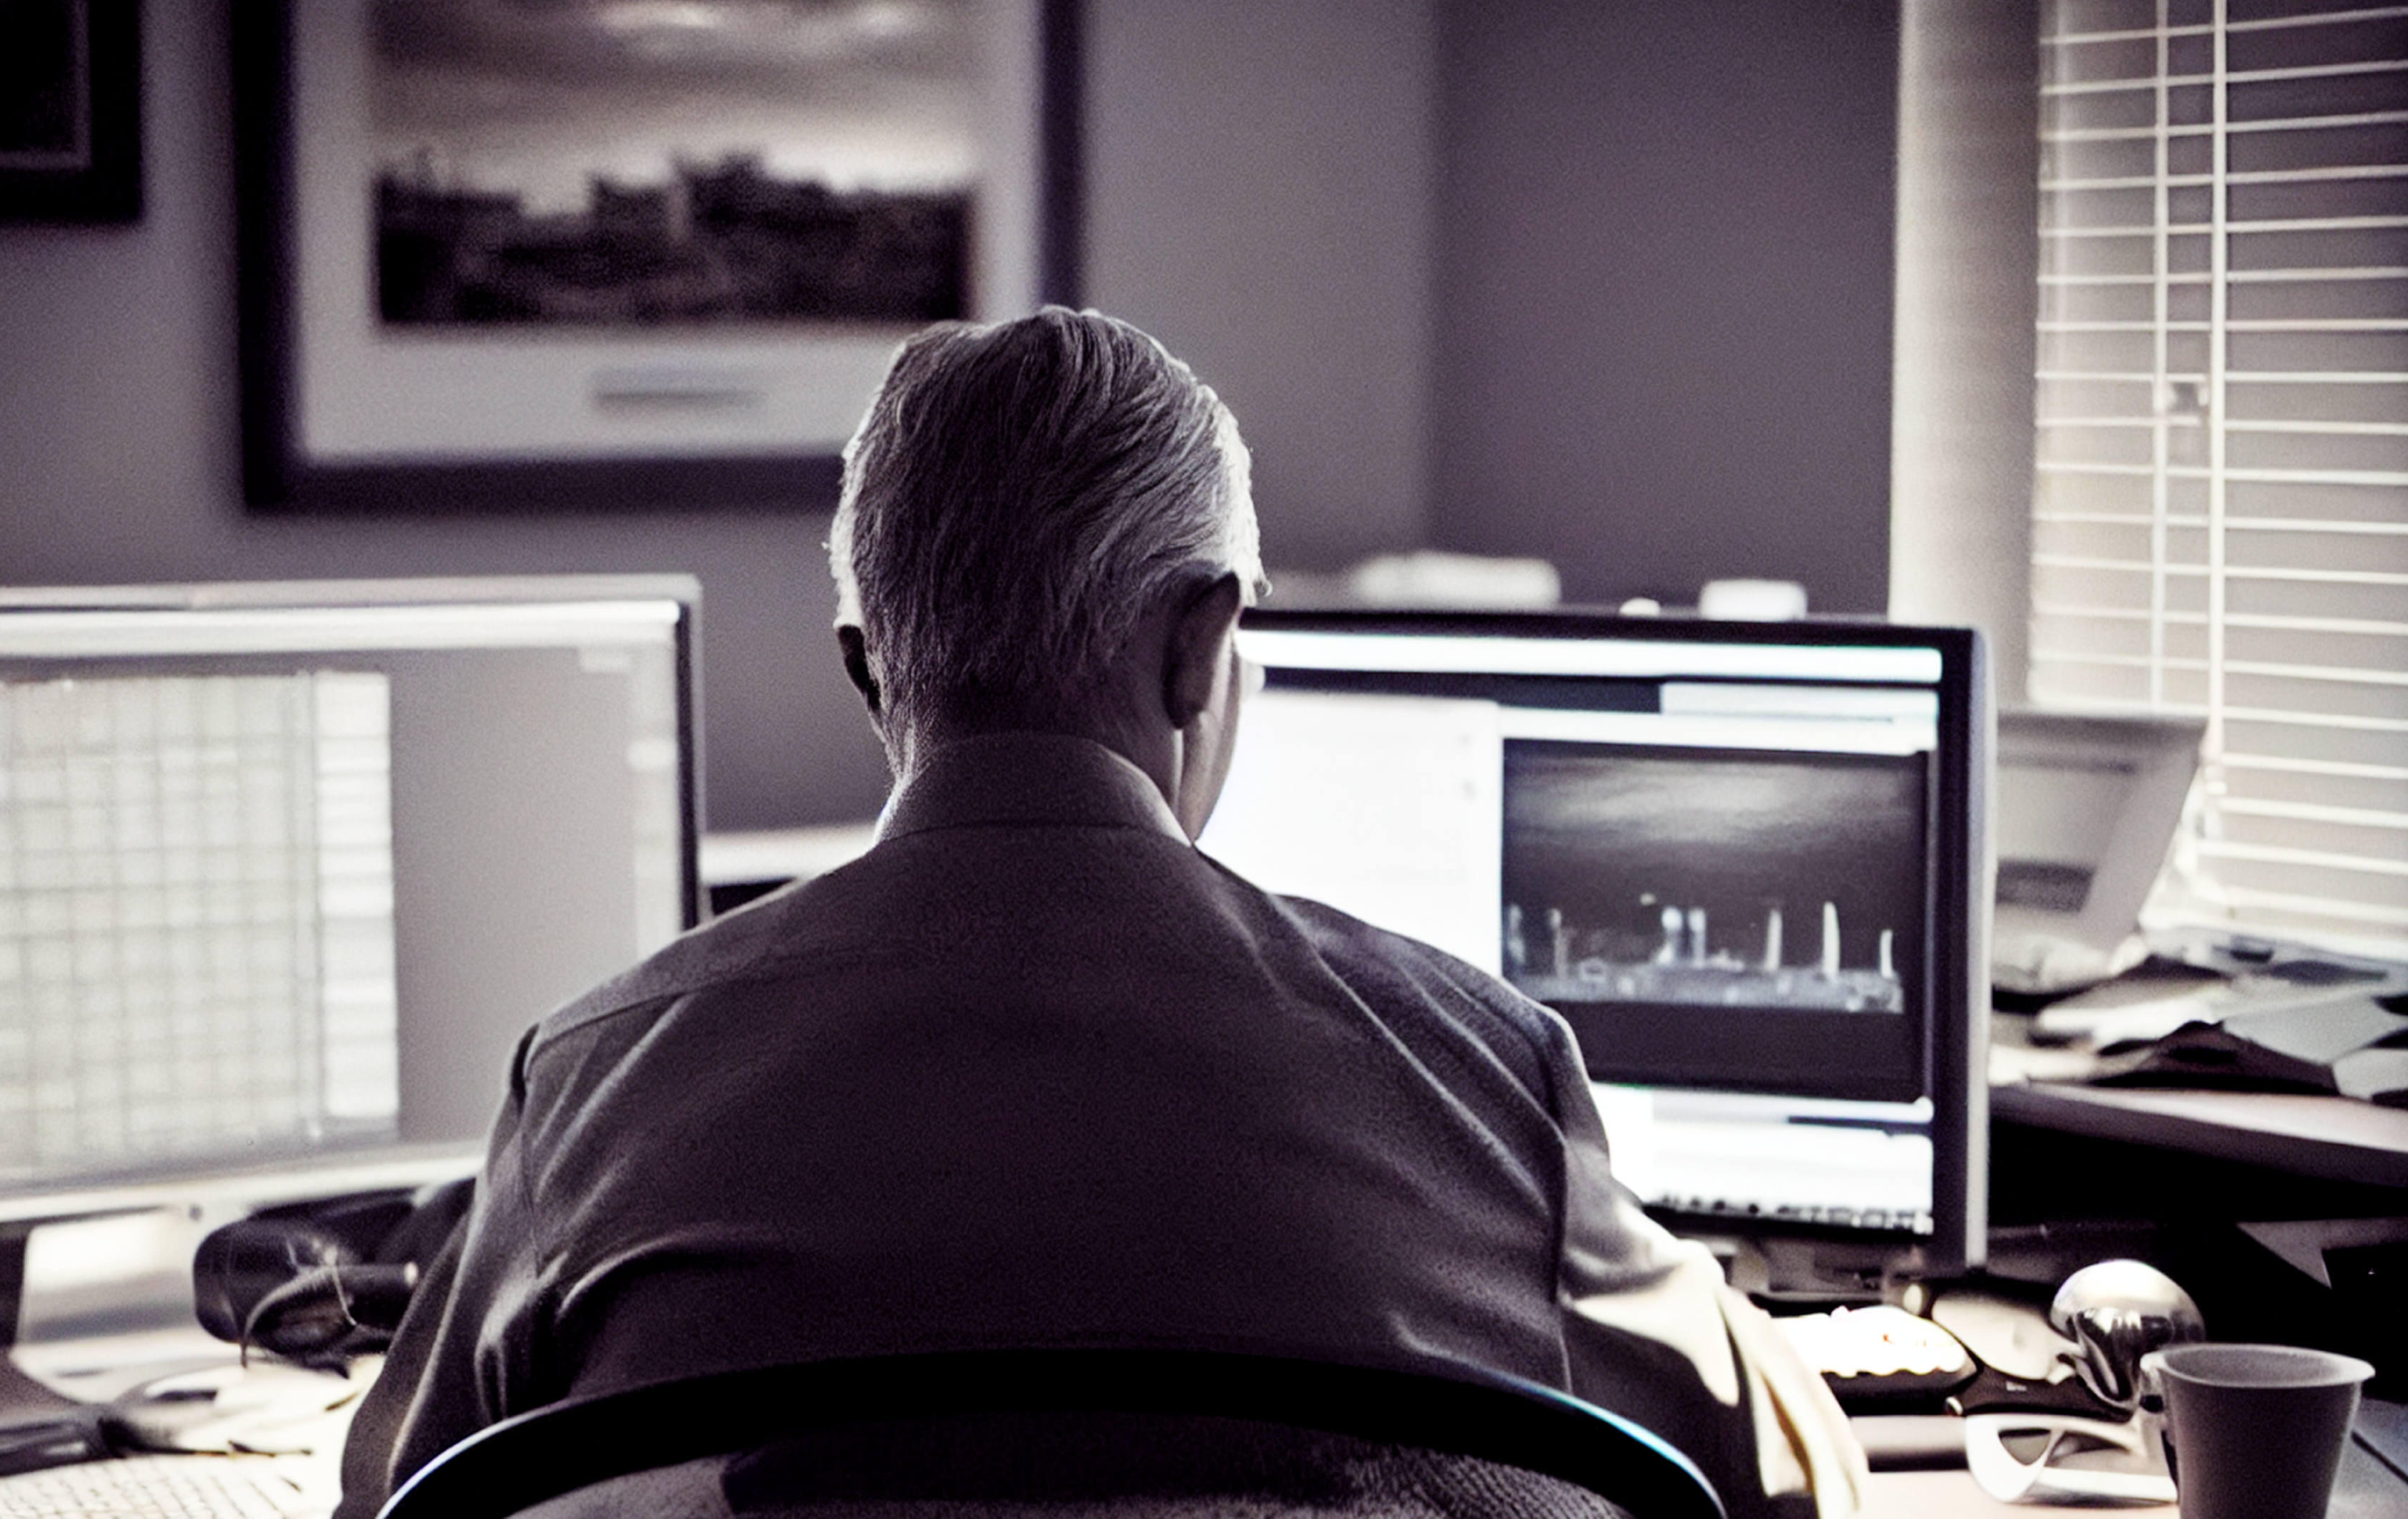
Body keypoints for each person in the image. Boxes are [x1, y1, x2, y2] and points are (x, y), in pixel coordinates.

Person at [336, 307, 1863, 1518]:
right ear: (1203, 648)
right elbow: (1791, 1483)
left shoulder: (600, 1080)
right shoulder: (1468, 1070)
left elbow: (394, 1499)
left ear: (871, 670)